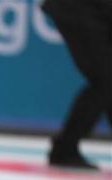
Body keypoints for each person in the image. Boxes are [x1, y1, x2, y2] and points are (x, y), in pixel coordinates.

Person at [42, 0, 112, 170]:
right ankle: (64, 149)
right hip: (78, 9)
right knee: (105, 79)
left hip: (95, 11)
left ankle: (65, 148)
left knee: (106, 81)